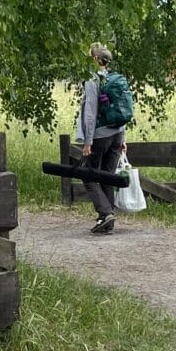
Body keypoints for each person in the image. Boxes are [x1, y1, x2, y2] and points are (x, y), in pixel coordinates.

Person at [76, 44, 126, 234]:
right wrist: (123, 138)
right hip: (116, 134)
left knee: (86, 173)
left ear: (96, 59)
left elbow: (90, 113)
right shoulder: (115, 79)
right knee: (106, 176)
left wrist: (88, 141)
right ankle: (108, 219)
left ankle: (105, 213)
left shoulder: (92, 80)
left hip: (99, 135)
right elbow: (122, 109)